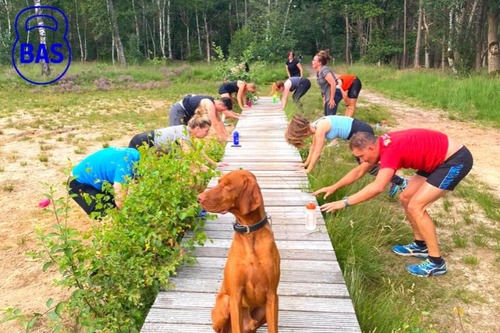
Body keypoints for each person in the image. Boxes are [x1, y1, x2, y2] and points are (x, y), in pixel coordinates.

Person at [312, 129, 473, 277]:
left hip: (455, 159)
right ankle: (420, 245)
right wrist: (333, 187)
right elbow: (360, 171)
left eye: (361, 156)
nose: (361, 161)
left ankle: (436, 262)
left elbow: (377, 187)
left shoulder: (390, 152)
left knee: (416, 207)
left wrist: (344, 203)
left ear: (370, 149)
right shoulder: (380, 144)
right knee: (406, 198)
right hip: (435, 160)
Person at [285, 114, 407, 195]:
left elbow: (317, 151)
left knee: (366, 165)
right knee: (367, 165)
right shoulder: (316, 126)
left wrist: (309, 170)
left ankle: (399, 181)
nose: (304, 138)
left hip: (361, 132)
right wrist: (306, 163)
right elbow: (313, 146)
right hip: (357, 132)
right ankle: (395, 180)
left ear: (303, 131)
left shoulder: (320, 127)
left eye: (301, 137)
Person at [129, 109, 226, 169]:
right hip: (140, 142)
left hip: (149, 143)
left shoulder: (187, 133)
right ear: (197, 128)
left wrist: (215, 164)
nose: (207, 134)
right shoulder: (183, 135)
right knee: (133, 172)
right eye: (206, 131)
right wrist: (213, 173)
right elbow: (191, 160)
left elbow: (198, 152)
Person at [68, 147, 140, 218]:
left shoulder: (135, 154)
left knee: (115, 210)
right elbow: (120, 202)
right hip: (79, 182)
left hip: (101, 180)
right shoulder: (124, 168)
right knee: (108, 218)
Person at [312, 50, 343, 116]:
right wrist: (324, 98)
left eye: (314, 60)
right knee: (326, 116)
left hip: (334, 93)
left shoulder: (324, 70)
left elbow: (333, 83)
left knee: (330, 118)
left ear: (320, 63)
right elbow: (323, 87)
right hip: (328, 95)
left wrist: (331, 99)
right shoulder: (319, 72)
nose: (312, 62)